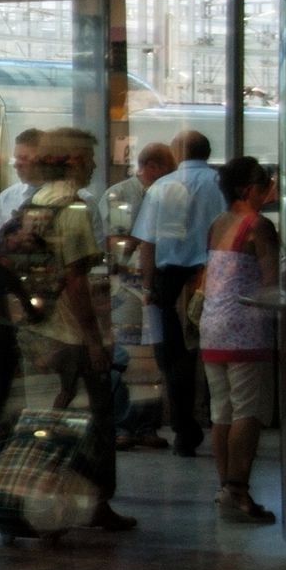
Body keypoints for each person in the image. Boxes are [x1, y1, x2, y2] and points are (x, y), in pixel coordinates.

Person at [12, 127, 135, 531]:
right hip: (71, 334)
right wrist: (94, 340)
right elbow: (77, 282)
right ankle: (94, 505)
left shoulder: (36, 204)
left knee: (50, 421)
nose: (95, 165)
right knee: (93, 425)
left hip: (39, 330)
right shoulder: (74, 209)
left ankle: (46, 501)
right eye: (89, 157)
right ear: (73, 161)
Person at [133, 130, 228, 456]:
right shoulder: (221, 184)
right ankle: (224, 428)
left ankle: (185, 432)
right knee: (218, 356)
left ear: (178, 152)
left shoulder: (162, 187)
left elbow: (148, 242)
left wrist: (148, 287)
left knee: (174, 361)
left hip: (169, 282)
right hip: (215, 277)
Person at [199, 158, 280, 523]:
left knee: (222, 411)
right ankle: (239, 491)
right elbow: (271, 281)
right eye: (264, 182)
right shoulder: (259, 226)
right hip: (247, 327)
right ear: (247, 189)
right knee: (248, 409)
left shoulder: (218, 224)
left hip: (212, 324)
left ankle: (225, 488)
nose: (269, 188)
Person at [103, 142, 176, 448]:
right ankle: (123, 424)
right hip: (127, 288)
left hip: (156, 284)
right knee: (126, 357)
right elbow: (116, 242)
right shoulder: (119, 194)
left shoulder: (166, 194)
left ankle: (148, 425)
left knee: (152, 359)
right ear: (153, 167)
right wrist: (141, 239)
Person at [0, 128, 43, 451]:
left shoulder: (71, 201)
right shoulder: (9, 197)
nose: (18, 165)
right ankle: (5, 453)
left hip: (46, 308)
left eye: (26, 159)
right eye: (16, 159)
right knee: (6, 382)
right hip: (9, 307)